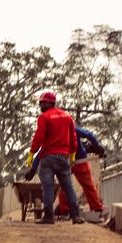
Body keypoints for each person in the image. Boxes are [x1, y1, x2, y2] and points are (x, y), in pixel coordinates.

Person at [24, 91, 83, 224]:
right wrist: (72, 153)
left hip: (48, 158)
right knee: (68, 187)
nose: (40, 105)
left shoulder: (44, 117)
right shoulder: (67, 117)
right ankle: (76, 216)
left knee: (48, 187)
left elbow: (39, 137)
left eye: (42, 103)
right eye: (40, 103)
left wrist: (31, 153)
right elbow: (73, 137)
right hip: (63, 158)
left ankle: (49, 216)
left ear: (49, 103)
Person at [54, 125, 108, 222]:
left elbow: (89, 136)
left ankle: (95, 209)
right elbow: (89, 135)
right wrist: (96, 147)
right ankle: (66, 210)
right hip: (70, 160)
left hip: (76, 159)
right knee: (68, 186)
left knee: (70, 185)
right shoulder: (70, 128)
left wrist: (96, 147)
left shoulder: (65, 130)